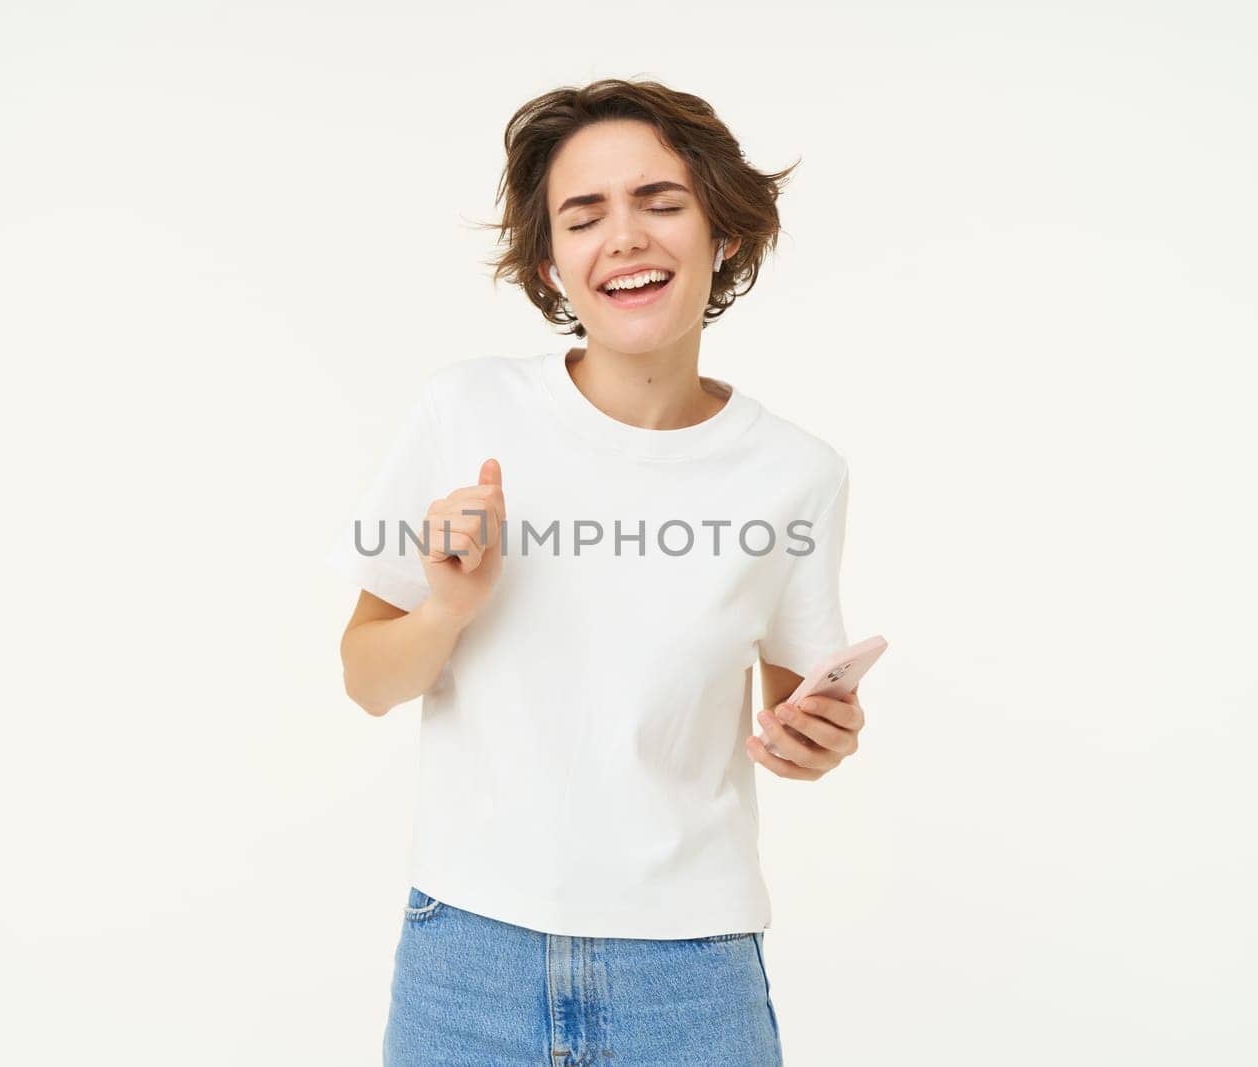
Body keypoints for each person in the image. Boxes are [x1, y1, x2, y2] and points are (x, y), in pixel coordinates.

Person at [325, 78, 869, 1067]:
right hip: (467, 958)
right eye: (584, 216)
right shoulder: (465, 412)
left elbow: (795, 724)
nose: (623, 237)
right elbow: (366, 679)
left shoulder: (797, 473)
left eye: (661, 203)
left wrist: (816, 738)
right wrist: (447, 607)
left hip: (693, 975)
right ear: (550, 261)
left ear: (725, 234)